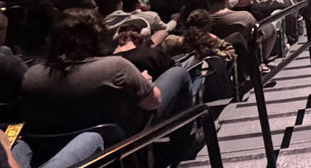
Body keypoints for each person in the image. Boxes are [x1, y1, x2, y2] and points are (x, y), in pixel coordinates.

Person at [21, 8, 190, 136]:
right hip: (123, 135)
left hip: (61, 142)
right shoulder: (116, 66)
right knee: (177, 73)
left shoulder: (32, 74)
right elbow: (153, 102)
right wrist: (146, 83)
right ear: (98, 35)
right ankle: (184, 141)